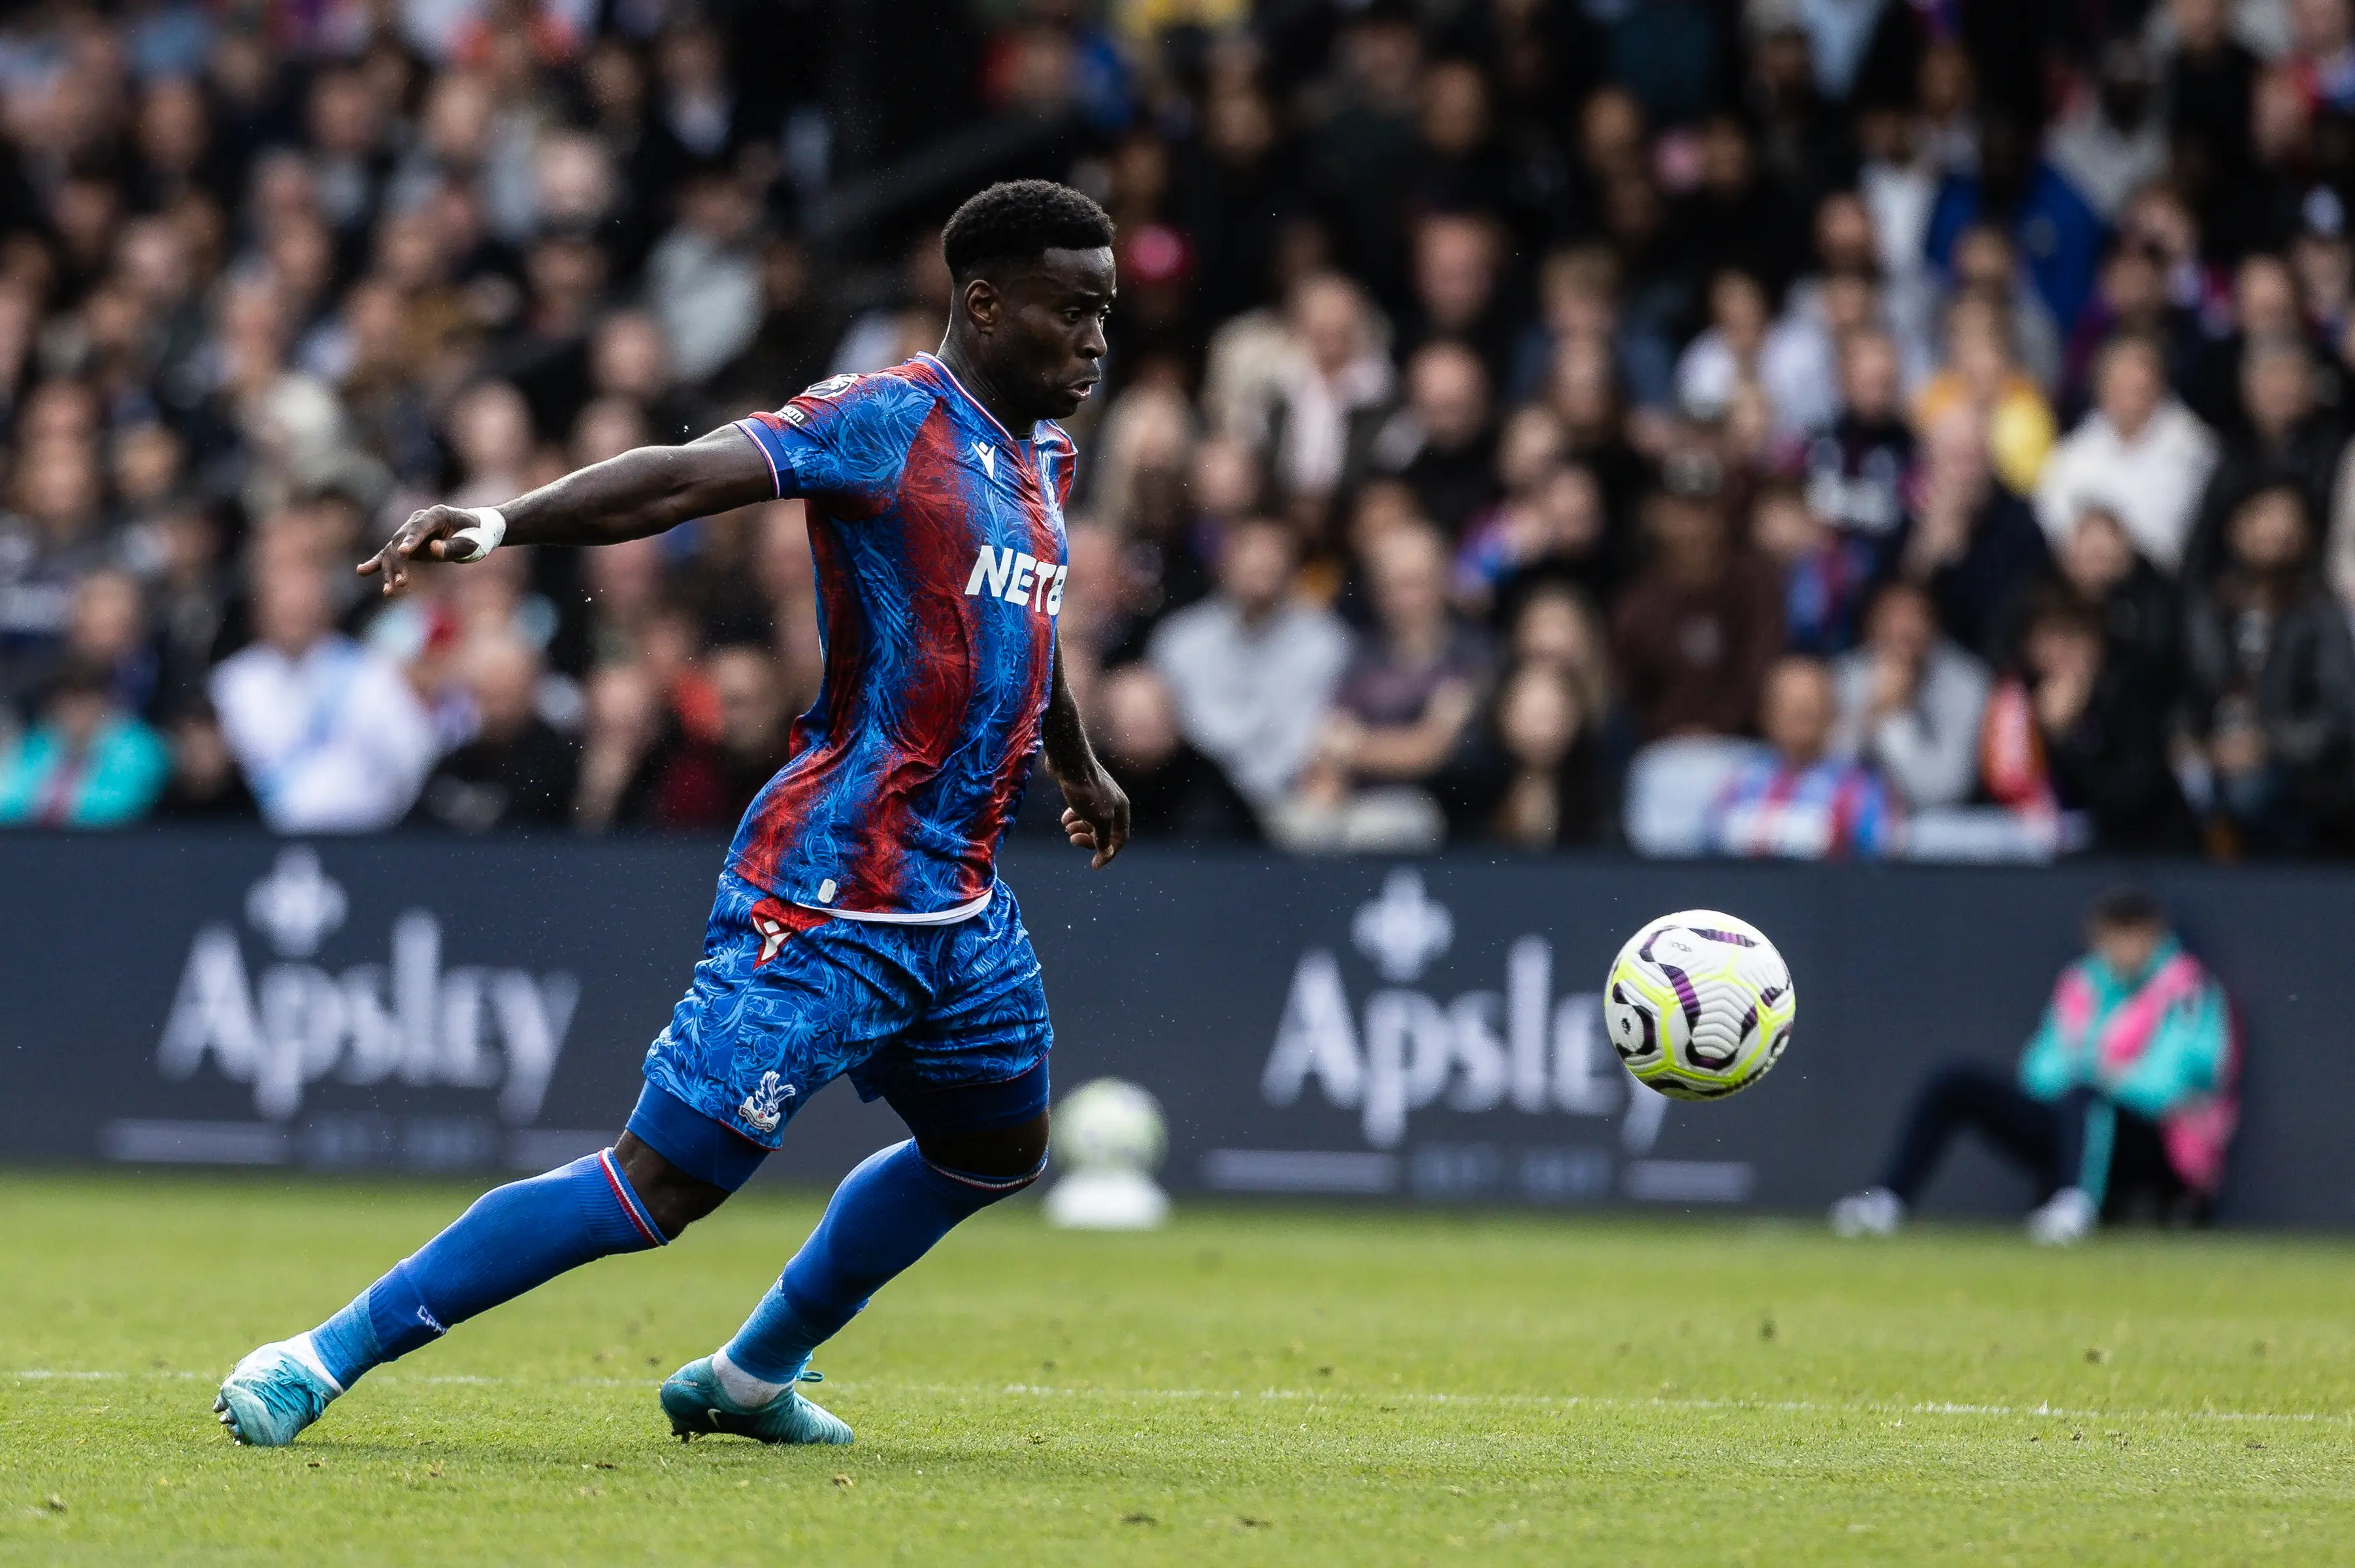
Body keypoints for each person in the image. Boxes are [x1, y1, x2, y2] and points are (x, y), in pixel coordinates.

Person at [214, 181, 1133, 1452]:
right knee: (656, 1188)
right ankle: (316, 1355)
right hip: (824, 899)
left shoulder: (1042, 453)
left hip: (962, 905)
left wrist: (1074, 764)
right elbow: (683, 479)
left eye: (1107, 312)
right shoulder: (884, 421)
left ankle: (750, 1377)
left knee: (991, 1152)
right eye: (1071, 310)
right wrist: (505, 521)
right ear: (983, 301)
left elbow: (1020, 629)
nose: (1096, 339)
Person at [1831, 888, 2239, 1244]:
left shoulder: (2186, 988)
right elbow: (2040, 1067)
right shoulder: (2082, 981)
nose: (2122, 947)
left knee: (2088, 1096)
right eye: (2113, 936)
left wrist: (2108, 1081)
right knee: (1953, 1081)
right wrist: (2088, 1078)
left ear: (2154, 935)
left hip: (2156, 1143)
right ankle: (1886, 1202)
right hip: (2071, 1118)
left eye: (2132, 935)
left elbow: (2180, 1079)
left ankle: (2073, 1207)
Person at [1704, 654, 1898, 858]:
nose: (1800, 714)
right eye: (1788, 705)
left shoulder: (1860, 790)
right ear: (1765, 714)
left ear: (1831, 713)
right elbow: (1709, 854)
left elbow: (1879, 870)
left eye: (1809, 705)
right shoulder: (1738, 784)